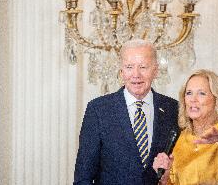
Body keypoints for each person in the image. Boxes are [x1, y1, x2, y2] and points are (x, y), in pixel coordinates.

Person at [73, 39, 179, 185]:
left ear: (155, 71)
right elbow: (82, 178)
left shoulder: (173, 109)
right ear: (121, 72)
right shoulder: (98, 110)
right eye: (129, 67)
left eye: (143, 67)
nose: (136, 74)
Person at [153, 69, 218, 185]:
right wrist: (165, 178)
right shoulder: (180, 139)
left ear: (216, 99)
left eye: (201, 93)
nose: (193, 99)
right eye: (189, 93)